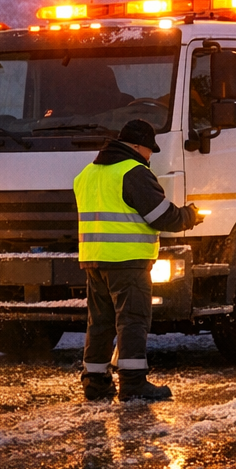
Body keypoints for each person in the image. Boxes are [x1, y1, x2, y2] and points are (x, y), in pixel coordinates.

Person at [75, 118, 200, 402]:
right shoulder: (133, 172)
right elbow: (162, 216)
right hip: (128, 261)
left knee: (100, 322)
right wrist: (190, 216)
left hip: (94, 261)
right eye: (149, 149)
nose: (150, 155)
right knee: (132, 320)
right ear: (135, 146)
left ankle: (95, 383)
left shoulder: (87, 174)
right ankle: (133, 384)